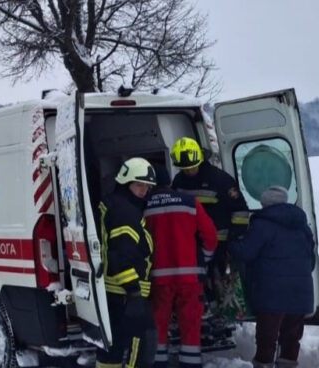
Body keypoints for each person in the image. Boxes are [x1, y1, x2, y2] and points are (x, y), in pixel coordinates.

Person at [229, 186, 315, 368]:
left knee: (267, 338)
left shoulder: (262, 224)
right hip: (301, 291)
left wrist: (231, 242)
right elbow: (311, 259)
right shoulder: (302, 225)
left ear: (264, 203)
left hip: (271, 293)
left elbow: (246, 252)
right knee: (291, 338)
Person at [144, 166, 218, 368]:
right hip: (191, 278)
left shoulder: (145, 207)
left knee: (158, 323)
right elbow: (210, 236)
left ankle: (158, 362)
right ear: (169, 183)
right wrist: (204, 258)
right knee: (190, 325)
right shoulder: (190, 203)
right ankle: (190, 363)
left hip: (158, 278)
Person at [170, 137, 250, 317]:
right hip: (191, 244)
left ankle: (220, 313)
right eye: (185, 168)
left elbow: (240, 211)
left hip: (219, 243)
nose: (189, 171)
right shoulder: (179, 181)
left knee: (218, 279)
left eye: (192, 167)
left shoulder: (220, 180)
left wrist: (234, 238)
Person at [96, 157, 158, 368]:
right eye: (139, 185)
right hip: (126, 293)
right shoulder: (125, 212)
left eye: (147, 186)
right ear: (125, 182)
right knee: (140, 346)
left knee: (113, 349)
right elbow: (120, 256)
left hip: (115, 292)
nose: (144, 190)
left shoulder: (118, 204)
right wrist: (133, 292)